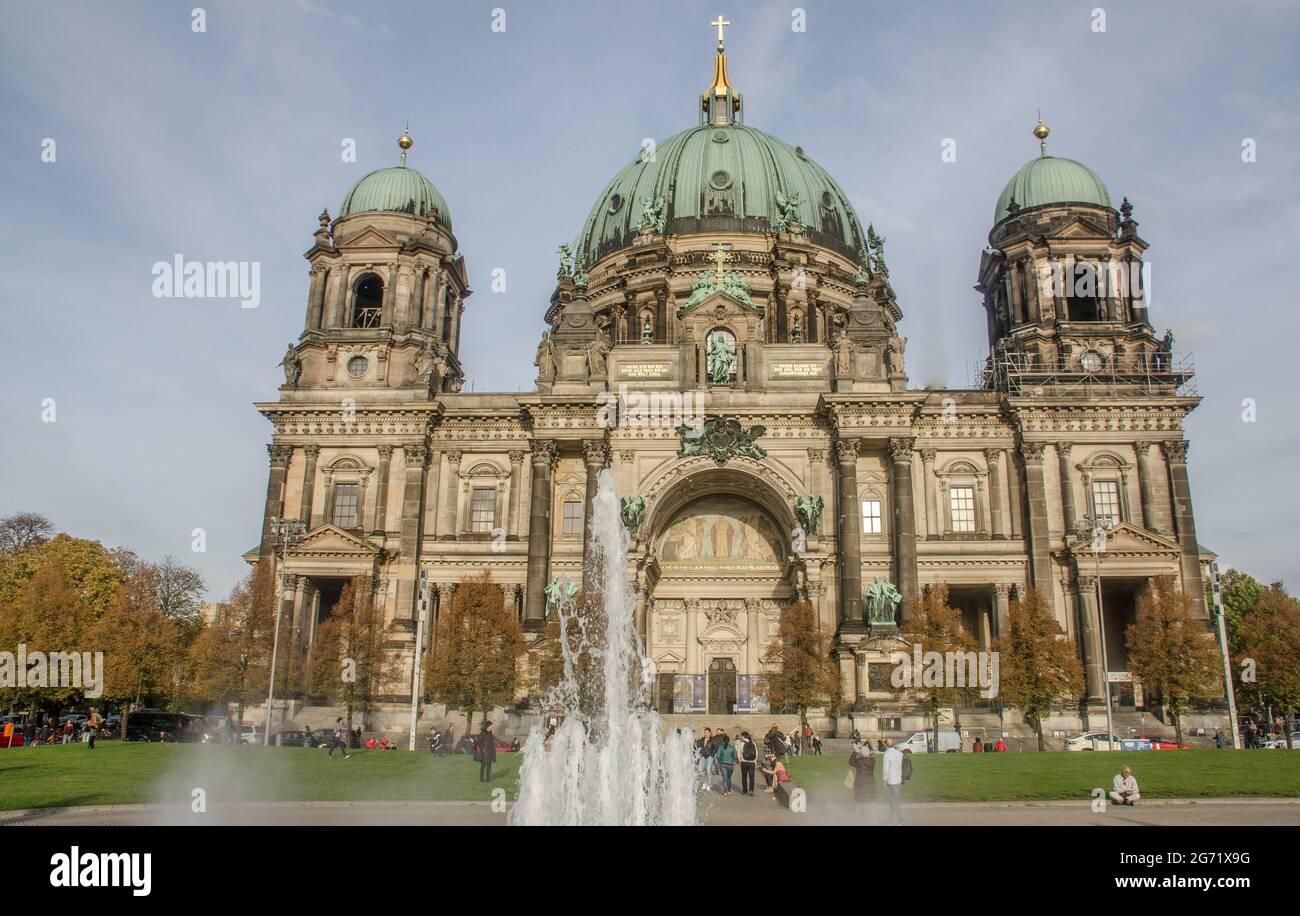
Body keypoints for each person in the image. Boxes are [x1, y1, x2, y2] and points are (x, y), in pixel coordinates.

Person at [881, 738, 905, 826]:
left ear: (886, 745)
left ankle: (899, 821)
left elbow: (885, 769)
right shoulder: (899, 753)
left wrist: (884, 780)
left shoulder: (887, 755)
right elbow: (900, 766)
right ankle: (891, 822)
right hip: (898, 780)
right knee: (894, 803)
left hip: (891, 782)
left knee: (893, 803)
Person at [849, 742, 877, 817]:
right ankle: (874, 818)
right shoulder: (873, 761)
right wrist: (867, 750)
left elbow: (850, 762)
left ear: (861, 753)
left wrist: (855, 751)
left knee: (859, 802)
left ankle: (858, 819)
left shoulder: (859, 761)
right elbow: (870, 754)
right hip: (870, 783)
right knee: (871, 802)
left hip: (860, 784)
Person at [736, 731, 759, 796]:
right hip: (752, 763)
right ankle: (751, 790)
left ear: (743, 736)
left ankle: (745, 790)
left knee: (744, 776)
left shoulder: (741, 743)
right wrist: (755, 761)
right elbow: (756, 753)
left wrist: (740, 760)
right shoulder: (753, 743)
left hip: (744, 762)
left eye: (741, 736)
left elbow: (739, 752)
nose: (740, 737)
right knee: (752, 777)